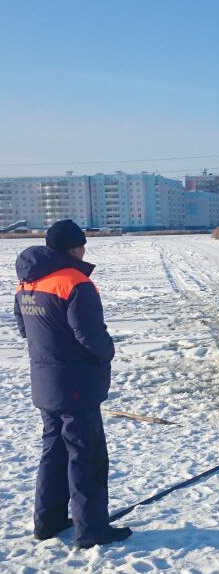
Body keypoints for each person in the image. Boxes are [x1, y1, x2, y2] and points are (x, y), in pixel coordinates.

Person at [14, 219, 132, 549]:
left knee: (54, 452)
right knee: (86, 455)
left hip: (45, 381)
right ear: (73, 248)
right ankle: (92, 529)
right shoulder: (76, 282)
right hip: (76, 384)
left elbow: (24, 330)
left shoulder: (26, 282)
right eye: (82, 245)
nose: (84, 250)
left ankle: (48, 520)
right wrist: (107, 352)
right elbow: (90, 335)